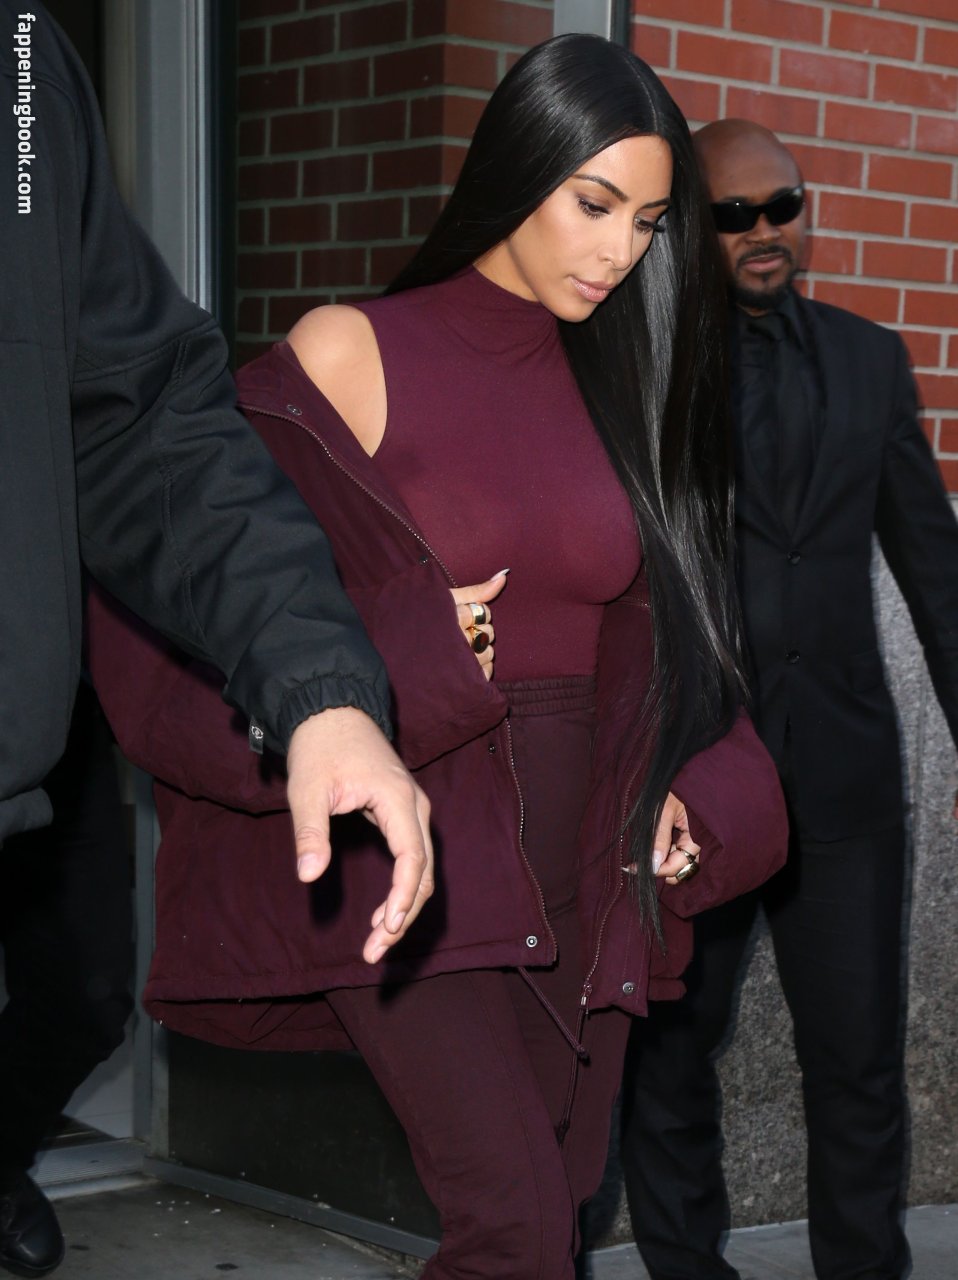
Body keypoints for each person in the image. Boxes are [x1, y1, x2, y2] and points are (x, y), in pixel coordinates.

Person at [88, 37, 788, 1279]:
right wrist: (408, 647)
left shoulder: (627, 383)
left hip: (585, 857)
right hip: (420, 849)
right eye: (592, 204)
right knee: (514, 1225)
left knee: (558, 1208)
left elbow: (677, 647)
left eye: (646, 222)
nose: (618, 251)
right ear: (518, 166)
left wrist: (695, 788)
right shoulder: (350, 352)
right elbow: (182, 607)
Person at [0, 5, 431, 1274]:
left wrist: (318, 683)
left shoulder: (20, 52)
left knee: (87, 982)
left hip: (25, 762)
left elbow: (138, 412)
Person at [620, 119, 958, 1280]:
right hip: (702, 771)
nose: (765, 232)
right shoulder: (650, 368)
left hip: (846, 777)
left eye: (784, 206)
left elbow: (936, 575)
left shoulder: (871, 360)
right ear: (690, 230)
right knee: (671, 1045)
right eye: (733, 215)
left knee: (857, 1058)